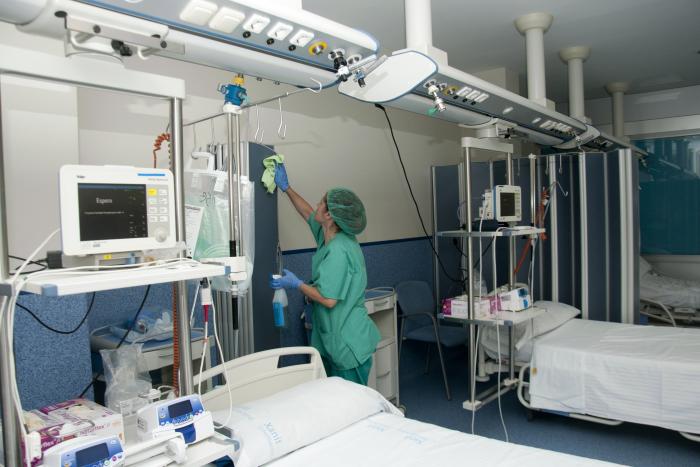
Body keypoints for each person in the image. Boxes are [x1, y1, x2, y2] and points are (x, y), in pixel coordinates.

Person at [269, 163, 380, 385]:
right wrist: (287, 187)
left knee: (352, 404)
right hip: (333, 336)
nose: (317, 205)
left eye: (321, 202)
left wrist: (297, 284)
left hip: (347, 342)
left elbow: (329, 300)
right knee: (335, 401)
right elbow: (307, 212)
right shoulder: (330, 234)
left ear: (329, 215)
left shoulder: (339, 250)